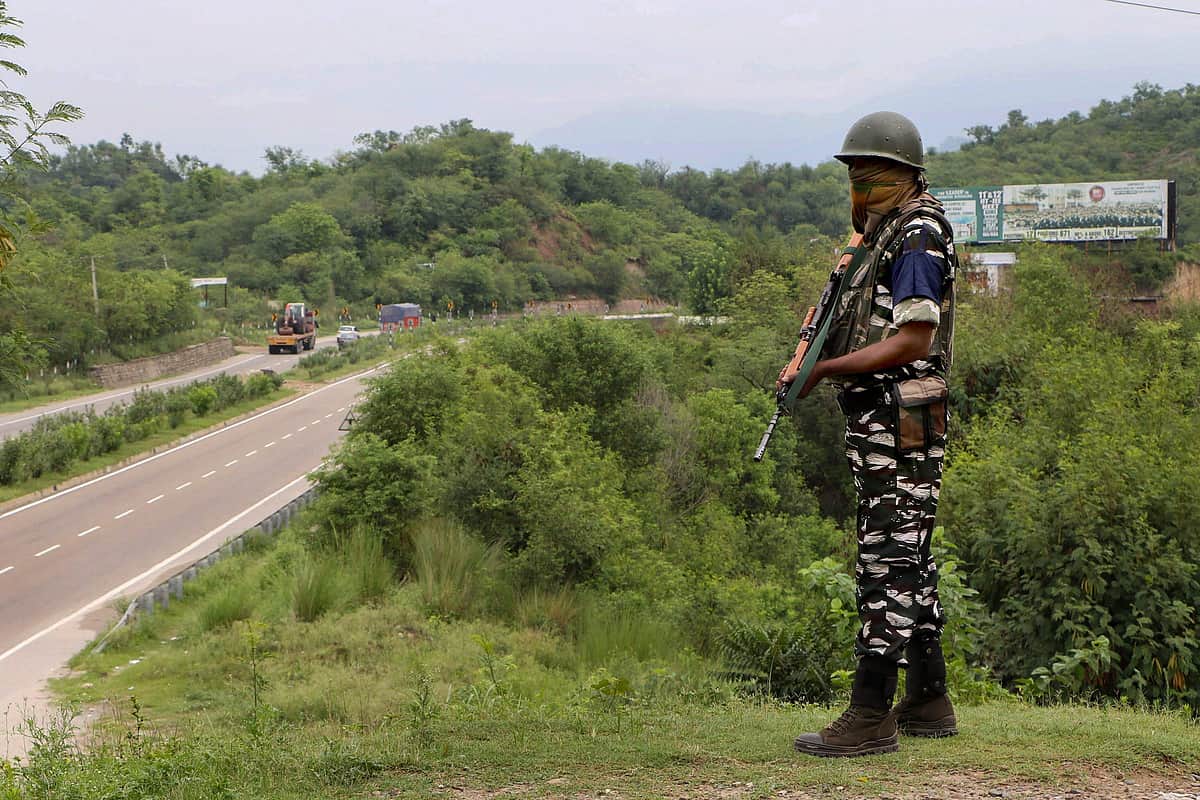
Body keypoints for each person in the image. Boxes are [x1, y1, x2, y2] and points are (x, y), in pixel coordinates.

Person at [785, 111, 959, 758]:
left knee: (886, 559)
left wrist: (827, 369)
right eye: (854, 173)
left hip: (903, 420)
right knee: (910, 551)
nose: (860, 186)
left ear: (907, 175)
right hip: (884, 421)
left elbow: (917, 336)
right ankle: (928, 697)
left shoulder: (916, 237)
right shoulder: (880, 236)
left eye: (872, 173)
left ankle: (869, 712)